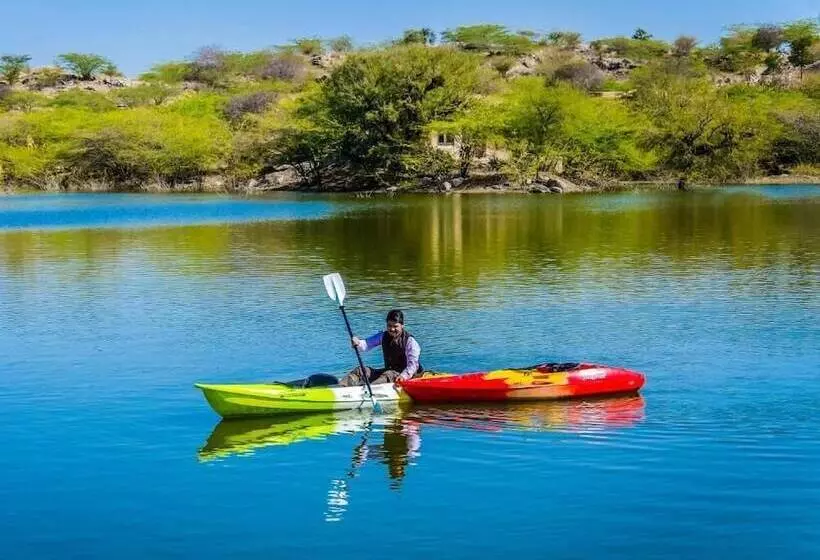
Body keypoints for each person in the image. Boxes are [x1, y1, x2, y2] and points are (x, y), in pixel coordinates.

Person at [338, 309, 423, 387]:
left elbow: (413, 365)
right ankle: (340, 387)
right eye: (389, 325)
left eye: (395, 326)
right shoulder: (383, 336)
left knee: (388, 375)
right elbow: (366, 344)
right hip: (389, 372)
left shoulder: (410, 341)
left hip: (408, 376)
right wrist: (357, 342)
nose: (392, 329)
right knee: (361, 370)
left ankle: (369, 390)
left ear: (402, 325)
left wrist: (403, 376)